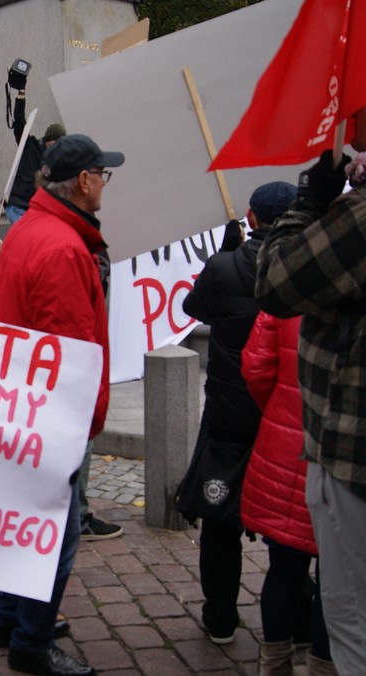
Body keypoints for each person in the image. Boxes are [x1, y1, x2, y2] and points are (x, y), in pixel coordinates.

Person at [0, 133, 124, 676]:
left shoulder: (32, 229)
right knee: (56, 537)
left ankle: (7, 618)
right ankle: (31, 642)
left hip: (22, 409)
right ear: (85, 181)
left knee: (22, 523)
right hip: (47, 419)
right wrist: (83, 422)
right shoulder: (65, 247)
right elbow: (68, 353)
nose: (104, 186)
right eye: (102, 175)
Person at [255, 105, 366, 674]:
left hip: (344, 454)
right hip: (316, 448)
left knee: (348, 615)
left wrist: (313, 198)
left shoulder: (356, 219)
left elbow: (277, 281)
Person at [179, 180, 297, 645]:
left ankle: (221, 614)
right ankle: (297, 617)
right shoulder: (307, 269)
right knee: (290, 522)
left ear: (251, 219)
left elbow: (194, 306)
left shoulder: (226, 267)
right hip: (283, 413)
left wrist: (224, 259)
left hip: (230, 411)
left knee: (219, 515)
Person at [240, 312, 335, 676]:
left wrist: (282, 410)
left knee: (283, 567)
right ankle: (324, 669)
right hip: (343, 456)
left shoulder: (287, 286)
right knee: (335, 580)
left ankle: (274, 666)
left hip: (286, 445)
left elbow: (256, 366)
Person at [6, 84, 65, 225]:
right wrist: (21, 97)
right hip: (19, 205)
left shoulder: (56, 159)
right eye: (57, 143)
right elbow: (19, 124)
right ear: (49, 140)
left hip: (37, 209)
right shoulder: (29, 146)